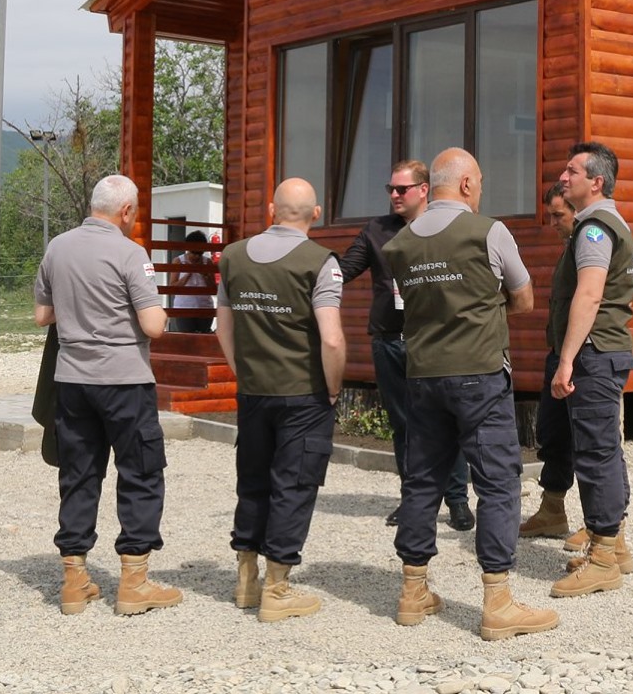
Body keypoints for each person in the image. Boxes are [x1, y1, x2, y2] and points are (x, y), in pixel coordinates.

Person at [380, 148, 557, 640]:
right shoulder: (489, 232)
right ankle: (497, 602)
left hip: (423, 376)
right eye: (478, 182)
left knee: (422, 480)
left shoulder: (399, 244)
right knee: (497, 481)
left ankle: (413, 592)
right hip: (479, 373)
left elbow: (417, 305)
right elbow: (524, 298)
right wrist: (483, 309)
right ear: (464, 184)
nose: (480, 190)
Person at [33, 174, 182, 617]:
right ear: (127, 211)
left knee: (78, 473)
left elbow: (43, 315)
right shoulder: (131, 253)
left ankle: (74, 581)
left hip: (72, 381)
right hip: (124, 381)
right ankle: (134, 583)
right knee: (140, 471)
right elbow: (153, 326)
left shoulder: (57, 247)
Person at [215, 178, 347, 621]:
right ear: (316, 214)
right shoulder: (321, 262)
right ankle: (277, 588)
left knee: (253, 481)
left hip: (254, 390)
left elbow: (224, 327)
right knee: (294, 484)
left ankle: (246, 580)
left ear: (271, 210)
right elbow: (331, 339)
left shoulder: (233, 256)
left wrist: (242, 371)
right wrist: (333, 386)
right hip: (303, 392)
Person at [339, 159, 475, 531]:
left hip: (434, 341)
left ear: (424, 189)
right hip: (389, 341)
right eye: (391, 189)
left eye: (402, 189)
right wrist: (302, 267)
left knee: (448, 421)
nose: (395, 195)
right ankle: (413, 499)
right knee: (404, 425)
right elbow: (344, 270)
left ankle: (457, 501)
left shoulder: (442, 226)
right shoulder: (377, 230)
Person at [544, 141, 633, 598]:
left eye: (572, 171)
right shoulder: (604, 223)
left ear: (596, 182)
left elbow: (589, 294)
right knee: (605, 449)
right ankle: (614, 546)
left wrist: (566, 360)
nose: (563, 178)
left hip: (594, 353)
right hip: (606, 351)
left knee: (595, 453)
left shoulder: (595, 229)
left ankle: (602, 560)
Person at [520, 181, 580, 540]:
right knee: (552, 434)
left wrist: (569, 358)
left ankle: (605, 527)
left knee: (589, 441)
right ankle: (552, 511)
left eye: (559, 215)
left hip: (581, 358)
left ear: (576, 211)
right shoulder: (569, 248)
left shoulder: (590, 245)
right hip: (558, 353)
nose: (553, 222)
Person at [166, 228, 215, 333]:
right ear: (188, 249)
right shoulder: (179, 261)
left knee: (204, 337)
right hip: (184, 307)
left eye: (200, 254)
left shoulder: (207, 262)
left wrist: (205, 274)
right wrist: (188, 273)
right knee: (187, 337)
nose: (197, 256)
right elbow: (172, 287)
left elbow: (213, 288)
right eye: (194, 253)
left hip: (204, 307)